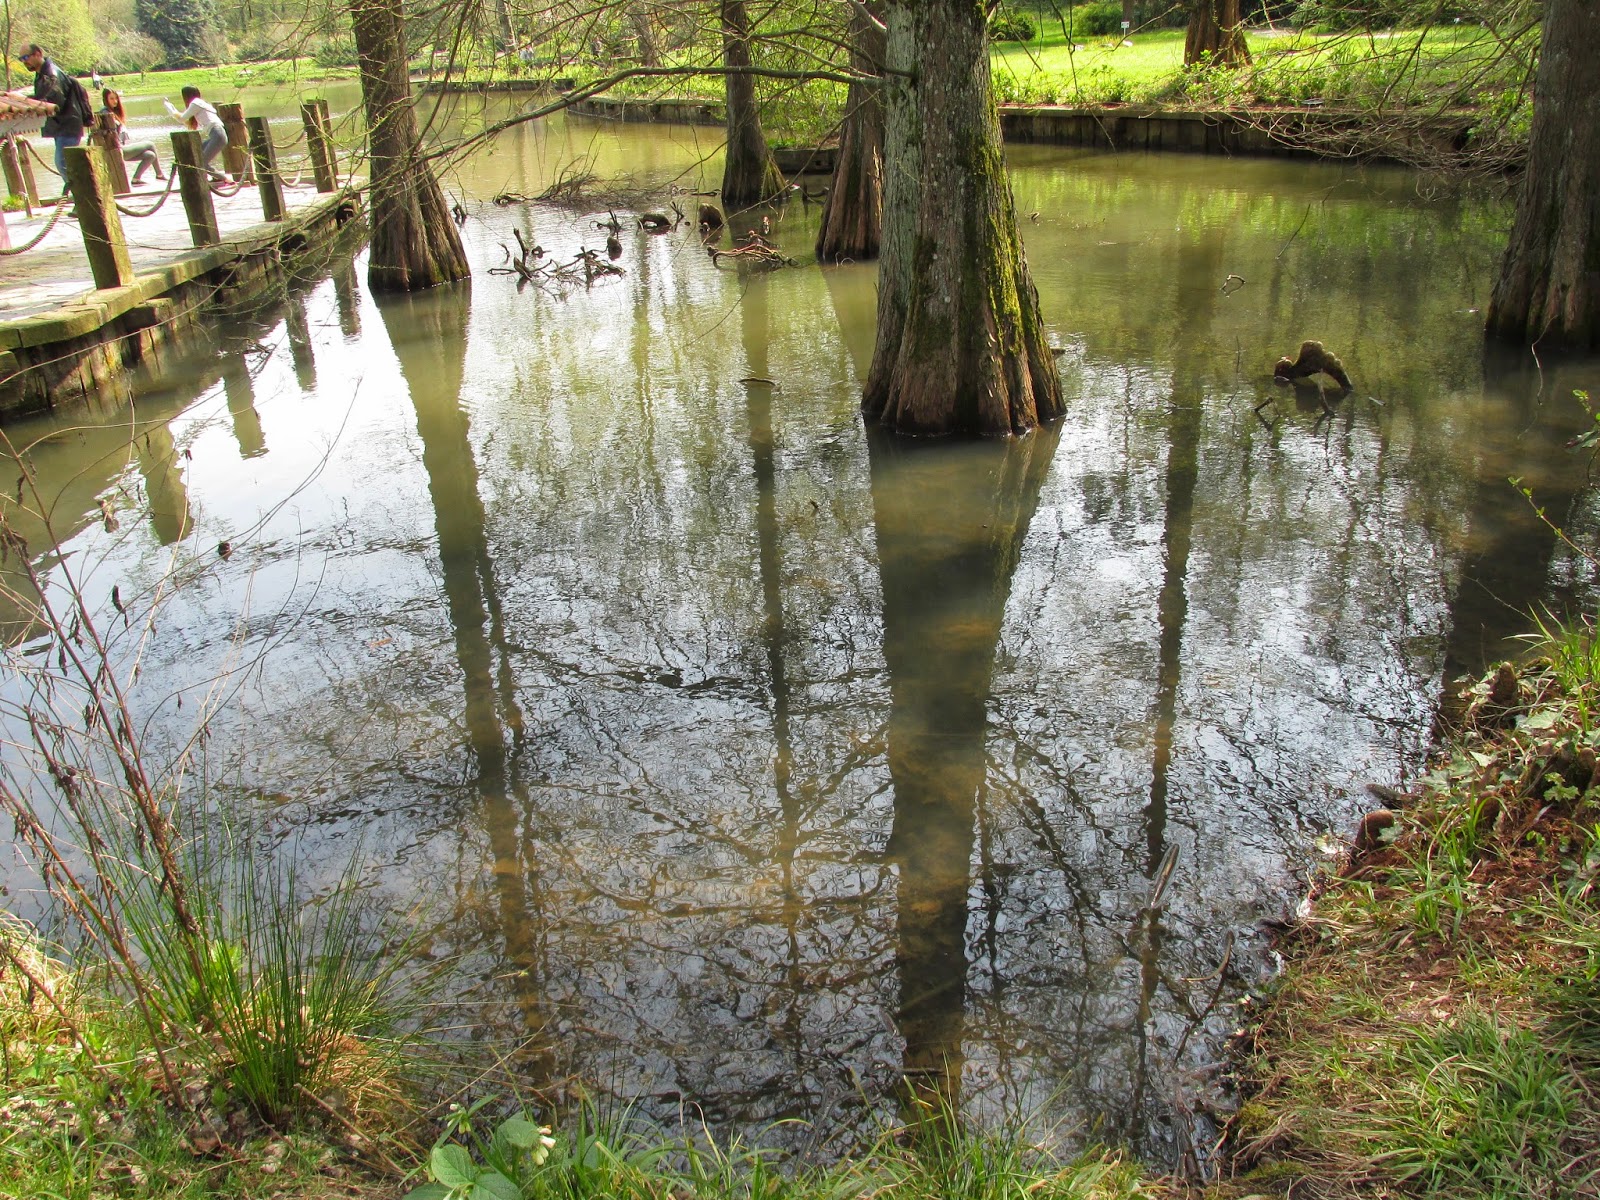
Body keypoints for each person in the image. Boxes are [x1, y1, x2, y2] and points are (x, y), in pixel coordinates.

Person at [13, 44, 87, 191]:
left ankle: (84, 199)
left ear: (38, 53)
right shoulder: (42, 74)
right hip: (60, 127)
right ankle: (80, 199)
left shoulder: (51, 74)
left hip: (67, 125)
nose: (24, 62)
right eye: (21, 59)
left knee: (63, 163)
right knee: (65, 164)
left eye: (26, 57)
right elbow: (42, 99)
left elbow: (52, 102)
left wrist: (23, 100)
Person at [102, 88, 164, 186]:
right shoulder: (105, 113)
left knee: (150, 155)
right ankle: (160, 174)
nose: (115, 101)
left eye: (116, 98)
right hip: (116, 150)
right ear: (105, 99)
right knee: (150, 144)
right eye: (111, 99)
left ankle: (136, 179)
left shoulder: (111, 112)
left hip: (118, 148)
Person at [170, 84, 230, 182]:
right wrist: (174, 112)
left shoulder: (196, 103)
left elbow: (181, 118)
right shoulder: (200, 103)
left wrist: (172, 111)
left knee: (201, 162)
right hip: (216, 135)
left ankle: (225, 179)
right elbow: (189, 123)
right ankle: (216, 178)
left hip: (217, 135)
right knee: (195, 156)